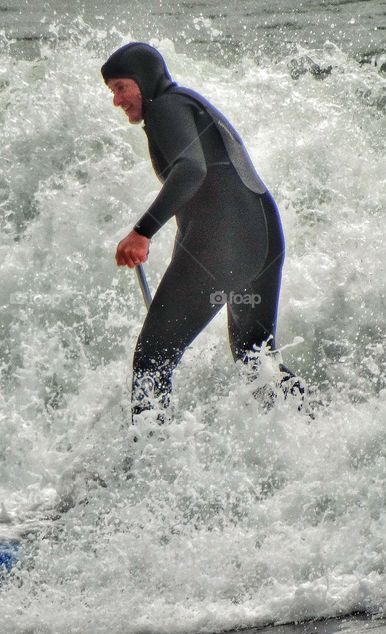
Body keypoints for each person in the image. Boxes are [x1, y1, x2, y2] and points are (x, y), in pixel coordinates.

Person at [101, 42, 301, 420]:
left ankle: (149, 462)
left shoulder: (167, 107)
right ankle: (311, 426)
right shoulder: (189, 104)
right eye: (112, 91)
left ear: (144, 81)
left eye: (121, 87)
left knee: (151, 359)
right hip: (261, 237)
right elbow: (216, 194)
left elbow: (192, 171)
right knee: (256, 359)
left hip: (225, 243)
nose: (117, 100)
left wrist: (143, 231)